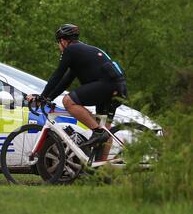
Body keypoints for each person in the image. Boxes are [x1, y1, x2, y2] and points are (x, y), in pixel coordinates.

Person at [26, 24, 127, 152]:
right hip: (118, 88)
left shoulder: (70, 50)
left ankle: (97, 131)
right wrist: (48, 98)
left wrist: (41, 97)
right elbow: (65, 82)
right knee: (105, 133)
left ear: (63, 41)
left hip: (107, 87)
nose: (59, 47)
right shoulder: (81, 52)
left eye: (58, 43)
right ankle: (101, 169)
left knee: (68, 101)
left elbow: (57, 75)